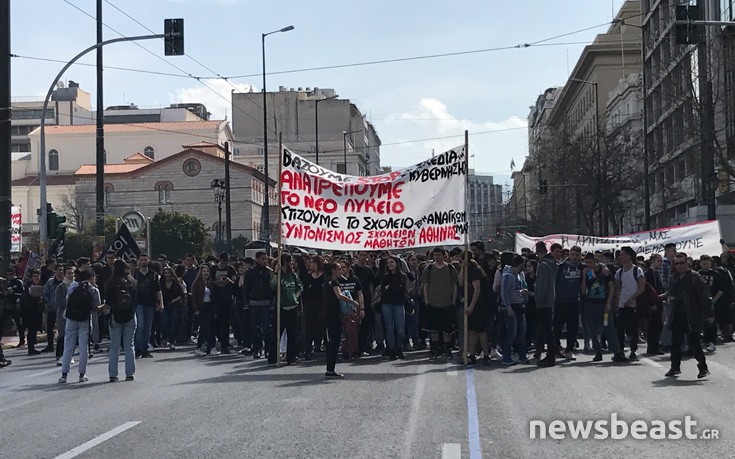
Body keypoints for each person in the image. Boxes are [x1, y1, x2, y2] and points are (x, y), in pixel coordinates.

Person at [666, 252, 714, 379]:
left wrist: (709, 314)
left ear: (688, 263)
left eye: (682, 263)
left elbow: (705, 297)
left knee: (694, 343)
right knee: (675, 343)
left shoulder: (695, 277)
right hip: (677, 316)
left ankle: (703, 368)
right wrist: (670, 298)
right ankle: (674, 367)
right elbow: (672, 292)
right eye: (677, 263)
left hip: (692, 316)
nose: (679, 266)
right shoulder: (674, 277)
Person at [581, 253, 627, 363]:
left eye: (591, 263)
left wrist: (608, 303)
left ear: (595, 261)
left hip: (603, 304)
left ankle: (617, 352)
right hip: (591, 304)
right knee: (593, 329)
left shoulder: (604, 271)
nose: (589, 265)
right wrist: (583, 276)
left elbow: (611, 287)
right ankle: (598, 352)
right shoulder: (587, 273)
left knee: (608, 327)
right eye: (587, 263)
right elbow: (583, 291)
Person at [59, 270, 102, 383]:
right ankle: (82, 374)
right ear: (92, 277)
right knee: (83, 347)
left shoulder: (73, 286)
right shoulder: (93, 290)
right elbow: (95, 308)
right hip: (85, 320)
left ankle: (64, 374)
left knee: (68, 346)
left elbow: (68, 300)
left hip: (71, 318)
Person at [422, 247, 458, 360]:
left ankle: (447, 350)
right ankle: (434, 350)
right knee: (434, 330)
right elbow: (425, 285)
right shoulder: (428, 269)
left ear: (444, 256)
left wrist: (453, 300)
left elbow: (455, 285)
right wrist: (427, 300)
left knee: (447, 330)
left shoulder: (451, 268)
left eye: (439, 255)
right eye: (435, 255)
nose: (437, 257)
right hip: (433, 303)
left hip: (447, 303)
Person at [105, 259, 138, 382]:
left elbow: (107, 301)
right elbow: (135, 299)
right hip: (129, 315)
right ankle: (130, 373)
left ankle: (113, 374)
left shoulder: (111, 283)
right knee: (129, 345)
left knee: (114, 346)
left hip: (115, 315)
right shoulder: (132, 282)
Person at [613, 246, 646, 361]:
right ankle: (620, 350)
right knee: (620, 329)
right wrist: (618, 301)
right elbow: (617, 287)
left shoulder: (637, 270)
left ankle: (633, 350)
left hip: (633, 305)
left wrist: (631, 299)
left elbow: (642, 288)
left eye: (622, 254)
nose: (620, 257)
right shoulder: (619, 272)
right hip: (622, 305)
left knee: (633, 329)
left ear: (629, 256)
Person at [243, 251, 275, 361]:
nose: (265, 261)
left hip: (266, 303)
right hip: (254, 303)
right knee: (254, 328)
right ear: (256, 259)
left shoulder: (269, 272)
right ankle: (257, 349)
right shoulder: (250, 273)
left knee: (267, 328)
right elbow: (246, 289)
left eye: (266, 259)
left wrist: (272, 302)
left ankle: (268, 350)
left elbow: (272, 288)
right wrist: (246, 303)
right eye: (262, 259)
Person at [324, 262, 353, 379]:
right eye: (339, 268)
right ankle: (330, 369)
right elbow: (339, 295)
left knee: (333, 342)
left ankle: (331, 369)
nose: (341, 271)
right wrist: (353, 303)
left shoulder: (326, 281)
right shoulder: (334, 281)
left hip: (329, 315)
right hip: (331, 317)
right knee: (333, 343)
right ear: (333, 270)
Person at [273, 253, 303, 365]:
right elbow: (273, 285)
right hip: (281, 307)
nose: (292, 264)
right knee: (277, 332)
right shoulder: (279, 274)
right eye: (290, 261)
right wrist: (276, 271)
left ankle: (291, 357)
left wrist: (295, 297)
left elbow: (300, 287)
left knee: (292, 333)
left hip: (292, 307)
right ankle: (274, 356)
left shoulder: (293, 275)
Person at [554, 246, 583, 360]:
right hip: (560, 301)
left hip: (574, 301)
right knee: (557, 327)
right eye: (572, 254)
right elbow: (555, 283)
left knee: (573, 327)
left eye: (577, 255)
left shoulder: (582, 267)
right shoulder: (560, 267)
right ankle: (555, 348)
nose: (574, 257)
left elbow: (591, 277)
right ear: (569, 255)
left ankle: (569, 350)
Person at [499, 254, 529, 365]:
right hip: (511, 306)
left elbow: (515, 290)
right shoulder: (508, 275)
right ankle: (506, 357)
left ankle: (521, 355)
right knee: (512, 332)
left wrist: (521, 292)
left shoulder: (518, 275)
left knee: (521, 332)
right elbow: (504, 292)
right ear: (521, 264)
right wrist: (508, 307)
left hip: (519, 305)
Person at [463, 257, 492, 365]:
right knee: (472, 331)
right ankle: (472, 354)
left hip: (479, 306)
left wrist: (471, 306)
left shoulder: (474, 271)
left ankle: (485, 354)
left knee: (480, 331)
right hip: (475, 305)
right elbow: (461, 282)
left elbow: (477, 289)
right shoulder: (469, 272)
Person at [535, 243, 561, 367]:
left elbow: (541, 285)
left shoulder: (543, 265)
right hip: (550, 299)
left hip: (544, 301)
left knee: (547, 330)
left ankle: (550, 356)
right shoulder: (552, 265)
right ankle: (551, 353)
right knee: (548, 329)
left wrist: (538, 299)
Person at [133, 254, 163, 359]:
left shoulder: (153, 274)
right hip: (138, 303)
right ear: (138, 261)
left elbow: (158, 290)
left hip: (150, 303)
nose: (143, 262)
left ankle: (145, 349)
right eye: (141, 260)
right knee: (140, 326)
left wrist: (161, 303)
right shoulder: (134, 274)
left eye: (145, 260)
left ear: (148, 261)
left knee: (147, 328)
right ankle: (137, 349)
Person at [380, 256, 409, 360]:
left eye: (392, 262)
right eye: (388, 263)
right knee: (390, 328)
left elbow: (402, 290)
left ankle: (399, 348)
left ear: (396, 263)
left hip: (399, 304)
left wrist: (391, 288)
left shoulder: (402, 276)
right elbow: (384, 291)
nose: (390, 264)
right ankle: (392, 350)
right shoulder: (385, 277)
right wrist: (394, 288)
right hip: (387, 304)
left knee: (400, 330)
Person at [337, 259, 365, 360]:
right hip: (341, 309)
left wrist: (362, 308)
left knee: (351, 330)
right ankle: (345, 351)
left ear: (349, 268)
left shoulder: (355, 279)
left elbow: (360, 294)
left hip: (353, 308)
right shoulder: (337, 280)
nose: (342, 270)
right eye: (340, 268)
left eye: (344, 267)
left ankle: (354, 351)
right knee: (344, 331)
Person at [211, 253, 237, 355]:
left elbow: (235, 282)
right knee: (217, 321)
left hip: (227, 298)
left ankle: (225, 345)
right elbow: (210, 282)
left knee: (226, 322)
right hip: (216, 298)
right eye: (223, 262)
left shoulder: (230, 269)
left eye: (226, 262)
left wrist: (228, 281)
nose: (224, 264)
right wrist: (218, 282)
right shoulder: (213, 269)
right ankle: (219, 339)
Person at [301, 255, 325, 360]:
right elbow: (304, 291)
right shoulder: (308, 277)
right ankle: (308, 349)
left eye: (312, 262)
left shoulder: (324, 277)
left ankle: (318, 345)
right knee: (309, 328)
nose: (310, 264)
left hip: (321, 304)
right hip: (309, 305)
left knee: (320, 326)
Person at [192, 264, 218, 355]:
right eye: (204, 271)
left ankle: (210, 348)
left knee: (211, 327)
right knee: (204, 327)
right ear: (200, 273)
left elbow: (214, 297)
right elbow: (194, 297)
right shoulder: (197, 283)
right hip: (202, 307)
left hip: (209, 306)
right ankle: (205, 347)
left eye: (207, 271)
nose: (206, 273)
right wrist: (196, 309)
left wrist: (215, 310)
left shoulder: (210, 283)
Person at [644, 254, 665, 355]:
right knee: (652, 326)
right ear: (652, 261)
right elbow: (647, 290)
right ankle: (652, 347)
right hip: (653, 303)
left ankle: (655, 346)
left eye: (661, 261)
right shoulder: (648, 274)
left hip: (659, 301)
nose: (660, 263)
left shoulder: (657, 273)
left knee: (657, 326)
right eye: (658, 261)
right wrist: (651, 303)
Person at [160, 266, 185, 351]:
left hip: (174, 305)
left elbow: (181, 295)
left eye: (169, 273)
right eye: (165, 273)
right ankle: (164, 338)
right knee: (165, 323)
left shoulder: (176, 283)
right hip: (164, 306)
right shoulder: (161, 283)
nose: (167, 275)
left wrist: (174, 300)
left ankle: (172, 342)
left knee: (173, 324)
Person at [41, 264, 64, 354]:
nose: (60, 272)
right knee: (49, 328)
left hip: (62, 309)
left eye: (62, 270)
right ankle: (50, 345)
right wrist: (48, 304)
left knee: (62, 329)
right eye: (59, 270)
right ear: (55, 271)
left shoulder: (65, 283)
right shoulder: (50, 282)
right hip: (52, 308)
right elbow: (45, 294)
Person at [21, 269, 45, 356]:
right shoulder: (28, 287)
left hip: (37, 311)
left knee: (34, 330)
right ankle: (31, 348)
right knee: (31, 330)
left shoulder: (41, 285)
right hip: (29, 312)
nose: (37, 278)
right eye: (35, 276)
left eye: (38, 276)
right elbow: (25, 300)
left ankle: (33, 347)